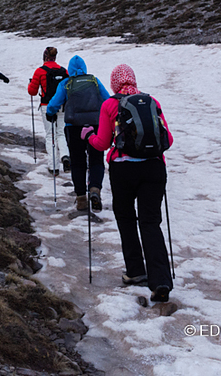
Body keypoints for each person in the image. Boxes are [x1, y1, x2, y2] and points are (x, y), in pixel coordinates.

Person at [82, 64, 174, 303]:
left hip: (123, 169)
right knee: (151, 222)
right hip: (154, 168)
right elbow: (169, 139)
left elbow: (102, 143)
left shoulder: (110, 105)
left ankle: (135, 271)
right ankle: (161, 280)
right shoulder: (151, 101)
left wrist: (87, 136)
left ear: (114, 82)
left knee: (125, 217)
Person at [45, 55, 109, 211]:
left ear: (70, 70)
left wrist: (50, 113)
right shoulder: (94, 80)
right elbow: (107, 99)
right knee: (96, 159)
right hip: (95, 124)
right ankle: (95, 189)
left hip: (73, 127)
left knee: (78, 162)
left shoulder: (66, 83)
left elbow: (54, 103)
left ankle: (81, 198)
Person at [27, 46, 70, 176]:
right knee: (61, 133)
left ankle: (53, 167)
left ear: (44, 57)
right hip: (62, 106)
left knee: (50, 135)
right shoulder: (64, 71)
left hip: (46, 106)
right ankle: (65, 156)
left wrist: (31, 83)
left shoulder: (40, 71)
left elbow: (32, 91)